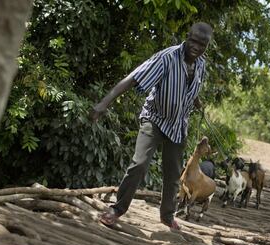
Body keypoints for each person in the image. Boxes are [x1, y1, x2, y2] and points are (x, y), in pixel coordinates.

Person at [90, 22, 213, 230]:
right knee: (139, 164)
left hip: (178, 125)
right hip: (154, 118)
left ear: (206, 46)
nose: (196, 47)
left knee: (174, 174)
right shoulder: (167, 58)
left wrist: (198, 103)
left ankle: (167, 216)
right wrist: (104, 103)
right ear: (187, 37)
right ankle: (117, 209)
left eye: (202, 44)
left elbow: (189, 87)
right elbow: (133, 78)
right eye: (193, 40)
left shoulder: (201, 64)